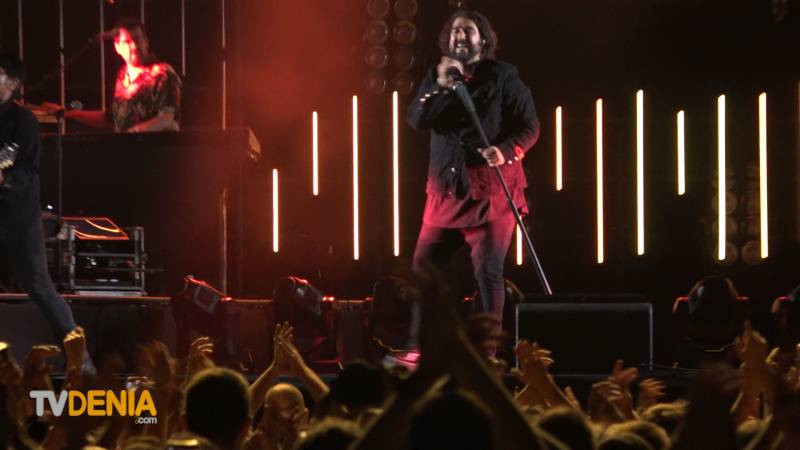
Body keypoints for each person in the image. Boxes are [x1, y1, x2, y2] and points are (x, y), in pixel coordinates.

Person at [405, 10, 540, 351]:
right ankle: (420, 347)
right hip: (446, 192)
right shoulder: (436, 76)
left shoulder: (503, 76)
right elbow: (417, 118)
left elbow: (530, 127)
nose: (460, 36)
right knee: (423, 269)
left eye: (468, 30)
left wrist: (505, 151)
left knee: (488, 273)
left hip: (491, 193)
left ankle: (486, 353)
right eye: (455, 31)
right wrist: (438, 86)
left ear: (483, 38)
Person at [0, 54, 81, 347]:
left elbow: (28, 172)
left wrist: (4, 178)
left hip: (18, 219)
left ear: (13, 83)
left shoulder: (24, 121)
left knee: (39, 286)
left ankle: (79, 357)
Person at [44, 18, 181, 132]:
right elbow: (112, 118)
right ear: (117, 47)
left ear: (146, 41)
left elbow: (166, 119)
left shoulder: (163, 73)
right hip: (128, 151)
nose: (134, 46)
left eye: (138, 39)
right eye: (127, 42)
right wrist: (66, 113)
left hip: (155, 152)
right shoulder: (123, 75)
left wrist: (133, 133)